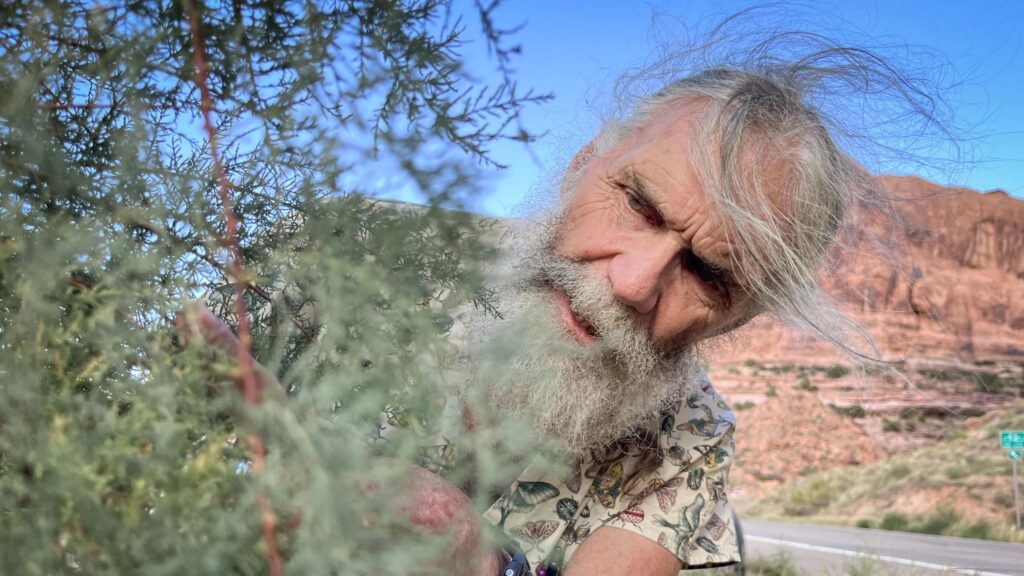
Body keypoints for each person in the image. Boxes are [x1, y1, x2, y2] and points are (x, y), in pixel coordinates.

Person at [184, 40, 928, 576]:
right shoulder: (349, 253)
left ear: (739, 319)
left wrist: (478, 560)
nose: (634, 284)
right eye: (639, 205)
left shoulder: (690, 442)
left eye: (708, 274)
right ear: (584, 164)